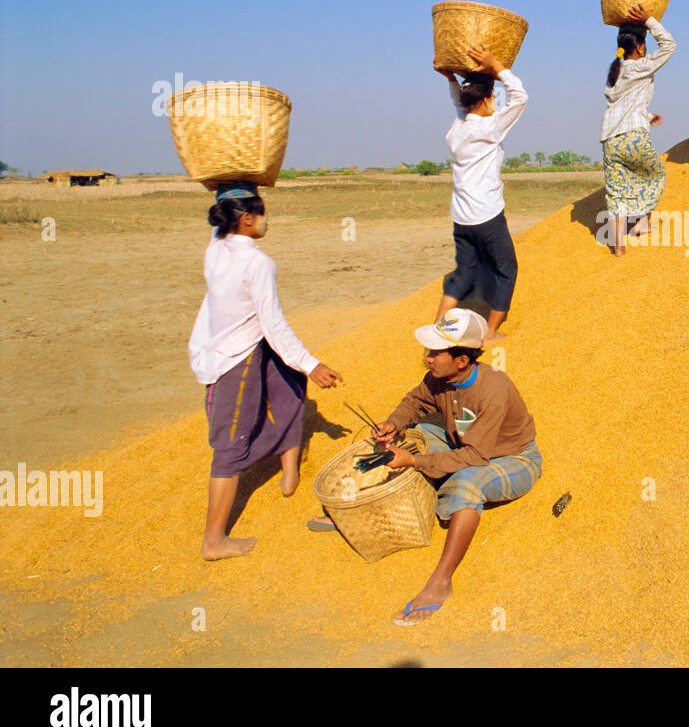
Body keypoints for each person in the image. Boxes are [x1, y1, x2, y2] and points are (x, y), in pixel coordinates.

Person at [189, 181, 342, 561]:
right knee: (229, 445)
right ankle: (214, 541)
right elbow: (273, 324)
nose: (266, 220)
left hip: (244, 344)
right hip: (234, 357)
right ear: (245, 219)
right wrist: (313, 363)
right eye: (262, 213)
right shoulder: (258, 263)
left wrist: (236, 185)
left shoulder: (215, 247)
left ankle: (289, 468)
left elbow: (219, 222)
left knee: (290, 385)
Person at [370, 309, 542, 624]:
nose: (428, 358)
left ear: (462, 360)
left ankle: (440, 582)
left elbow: (476, 457)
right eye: (429, 351)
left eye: (436, 352)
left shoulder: (493, 390)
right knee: (415, 434)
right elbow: (414, 403)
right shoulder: (438, 377)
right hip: (465, 445)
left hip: (512, 459)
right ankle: (370, 499)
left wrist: (415, 462)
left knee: (467, 482)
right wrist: (394, 424)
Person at [432, 44, 528, 343]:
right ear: (487, 101)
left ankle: (438, 327)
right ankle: (490, 333)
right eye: (491, 100)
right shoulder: (489, 129)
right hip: (487, 215)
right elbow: (520, 97)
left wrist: (450, 79)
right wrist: (497, 65)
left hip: (461, 218)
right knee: (506, 269)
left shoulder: (456, 129)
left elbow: (459, 107)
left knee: (463, 273)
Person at [600, 2, 675, 256]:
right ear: (641, 46)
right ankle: (641, 223)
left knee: (616, 194)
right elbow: (669, 46)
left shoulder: (615, 72)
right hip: (634, 136)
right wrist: (650, 20)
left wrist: (648, 115)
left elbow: (625, 104)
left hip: (610, 140)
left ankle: (618, 246)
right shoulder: (639, 65)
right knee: (654, 176)